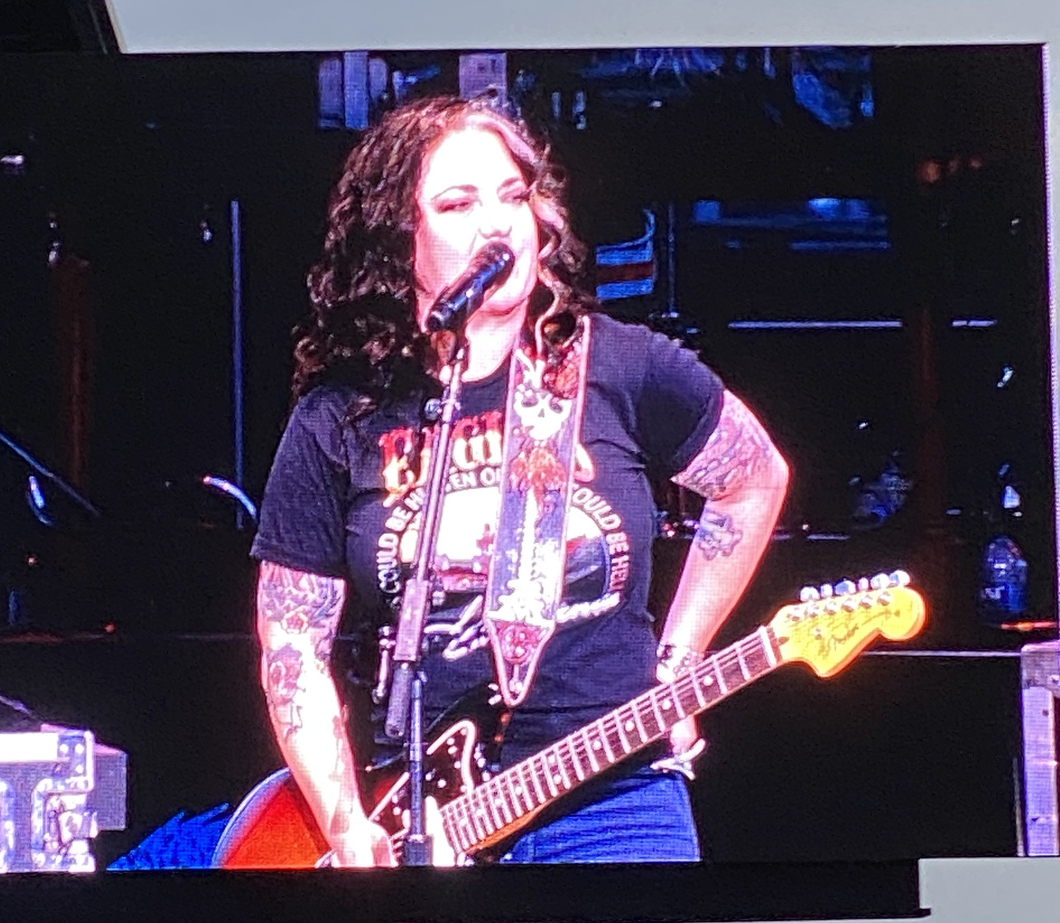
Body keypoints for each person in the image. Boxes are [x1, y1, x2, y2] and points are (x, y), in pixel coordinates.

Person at [251, 94, 789, 867]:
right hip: (420, 815)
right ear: (399, 239)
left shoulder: (624, 368)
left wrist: (679, 659)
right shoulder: (339, 418)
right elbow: (293, 641)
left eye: (513, 196)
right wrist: (343, 820)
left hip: (615, 794)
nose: (498, 222)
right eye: (457, 203)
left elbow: (754, 479)